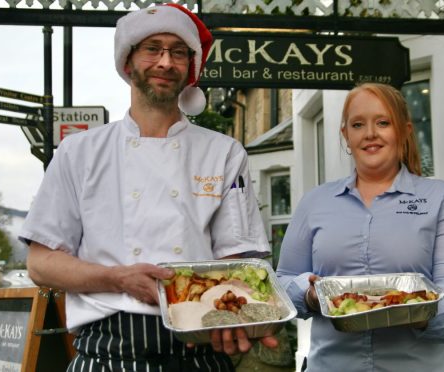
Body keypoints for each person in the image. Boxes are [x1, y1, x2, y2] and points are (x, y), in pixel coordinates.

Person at [20, 4, 276, 371]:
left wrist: (238, 309)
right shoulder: (79, 152)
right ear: (128, 62)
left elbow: (238, 259)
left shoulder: (223, 153)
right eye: (153, 48)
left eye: (177, 52)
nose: (165, 62)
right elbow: (41, 263)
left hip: (198, 348)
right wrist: (118, 278)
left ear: (190, 67)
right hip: (106, 350)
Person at [276, 83, 444, 371]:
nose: (370, 133)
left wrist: (421, 312)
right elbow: (285, 278)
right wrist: (308, 294)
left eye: (383, 122)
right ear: (346, 135)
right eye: (358, 124)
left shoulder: (441, 198)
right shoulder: (314, 202)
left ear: (405, 130)